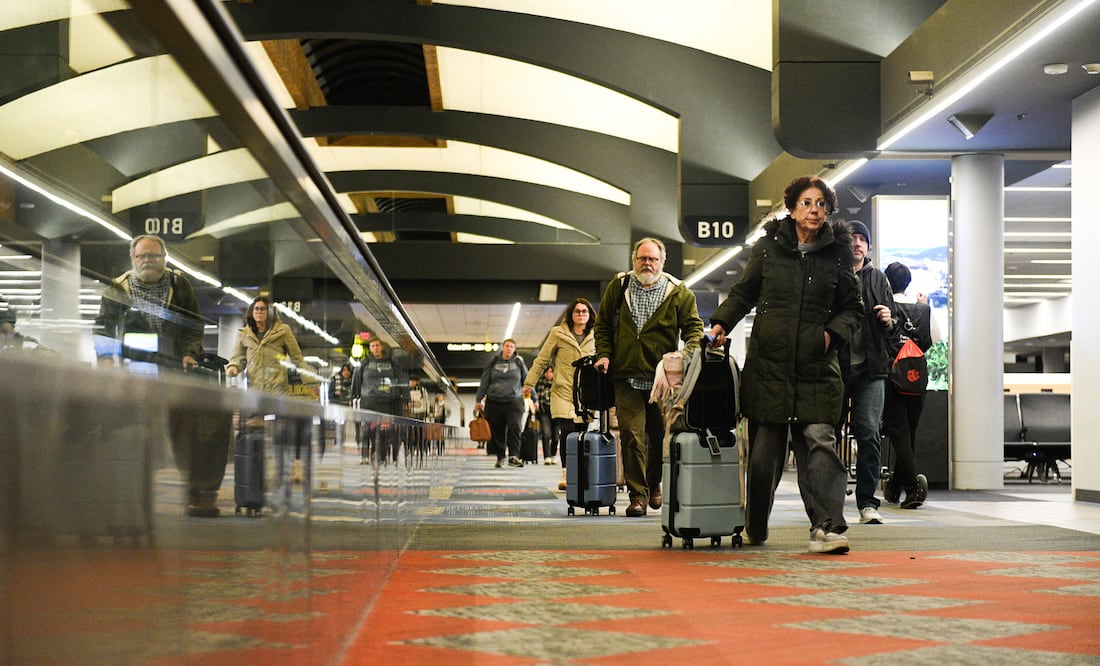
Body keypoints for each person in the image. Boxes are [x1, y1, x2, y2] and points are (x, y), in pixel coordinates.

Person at [708, 176, 863, 554]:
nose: (814, 210)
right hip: (770, 368)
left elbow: (852, 308)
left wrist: (829, 337)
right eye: (807, 203)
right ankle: (756, 524)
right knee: (763, 459)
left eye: (821, 204)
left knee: (820, 446)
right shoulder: (767, 249)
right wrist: (720, 323)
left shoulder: (838, 254)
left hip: (816, 368)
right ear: (791, 208)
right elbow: (743, 293)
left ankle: (827, 526)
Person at [93, 234, 231, 517]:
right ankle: (130, 494)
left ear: (164, 258)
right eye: (142, 256)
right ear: (133, 259)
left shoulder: (179, 285)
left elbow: (193, 326)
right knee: (138, 433)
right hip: (135, 373)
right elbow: (103, 330)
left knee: (194, 427)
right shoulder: (117, 289)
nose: (147, 261)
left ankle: (200, 492)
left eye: (153, 256)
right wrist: (106, 360)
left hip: (174, 371)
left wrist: (190, 351)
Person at [594, 238, 704, 517]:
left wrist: (684, 356)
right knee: (632, 436)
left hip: (663, 380)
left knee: (657, 437)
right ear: (634, 261)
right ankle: (638, 496)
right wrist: (604, 354)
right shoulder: (618, 288)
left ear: (662, 262)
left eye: (653, 259)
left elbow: (694, 331)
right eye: (642, 258)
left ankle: (654, 481)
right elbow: (603, 325)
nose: (647, 264)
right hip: (626, 374)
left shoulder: (678, 292)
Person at [839, 220, 899, 525]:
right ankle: (830, 501)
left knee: (869, 434)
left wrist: (889, 319)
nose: (858, 243)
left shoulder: (878, 279)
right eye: (853, 238)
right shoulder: (833, 274)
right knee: (827, 435)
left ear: (869, 246)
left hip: (872, 369)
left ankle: (867, 503)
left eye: (863, 239)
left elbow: (894, 327)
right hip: (836, 367)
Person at [882, 261, 941, 509]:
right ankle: (896, 486)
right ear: (907, 284)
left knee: (898, 432)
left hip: (892, 377)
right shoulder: (923, 309)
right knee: (909, 433)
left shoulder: (885, 309)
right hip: (917, 376)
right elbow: (935, 338)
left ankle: (914, 487)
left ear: (886, 282)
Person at [524, 298, 597, 488]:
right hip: (562, 391)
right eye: (577, 311)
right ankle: (567, 474)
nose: (581, 314)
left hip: (586, 394)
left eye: (584, 311)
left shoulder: (597, 335)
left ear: (589, 315)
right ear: (570, 314)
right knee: (567, 433)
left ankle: (580, 473)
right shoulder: (558, 333)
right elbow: (542, 360)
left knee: (582, 434)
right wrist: (529, 382)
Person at [226, 296, 307, 396]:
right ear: (252, 311)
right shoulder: (244, 334)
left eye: (263, 309)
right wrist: (234, 367)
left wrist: (309, 381)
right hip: (254, 390)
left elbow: (297, 358)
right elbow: (238, 358)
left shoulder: (283, 331)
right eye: (256, 308)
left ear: (270, 312)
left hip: (277, 391)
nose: (259, 312)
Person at [350, 338, 406, 463]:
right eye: (372, 346)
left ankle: (381, 455)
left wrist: (402, 397)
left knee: (383, 431)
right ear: (370, 348)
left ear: (381, 347)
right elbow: (356, 381)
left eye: (377, 345)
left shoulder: (392, 363)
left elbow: (400, 381)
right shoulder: (364, 363)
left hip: (387, 402)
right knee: (366, 430)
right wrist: (354, 397)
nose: (375, 348)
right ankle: (365, 456)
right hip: (369, 402)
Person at [475, 338, 528, 468]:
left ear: (514, 349)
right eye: (507, 346)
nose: (509, 348)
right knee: (497, 430)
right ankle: (500, 456)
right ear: (503, 348)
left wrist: (535, 399)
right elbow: (485, 380)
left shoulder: (518, 362)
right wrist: (478, 399)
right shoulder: (493, 361)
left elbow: (527, 381)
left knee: (515, 426)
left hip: (514, 401)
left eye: (512, 346)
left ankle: (514, 456)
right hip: (494, 401)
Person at [533, 366, 556, 465]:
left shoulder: (557, 383)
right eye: (547, 372)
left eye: (551, 372)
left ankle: (553, 454)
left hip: (556, 411)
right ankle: (547, 456)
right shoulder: (539, 383)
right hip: (543, 411)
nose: (549, 374)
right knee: (546, 434)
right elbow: (535, 395)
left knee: (555, 436)